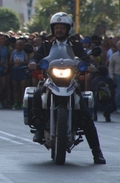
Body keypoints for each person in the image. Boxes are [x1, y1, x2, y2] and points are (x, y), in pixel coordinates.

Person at [28, 12, 106, 164]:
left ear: (68, 29)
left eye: (62, 27)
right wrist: (32, 62)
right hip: (51, 80)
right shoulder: (46, 46)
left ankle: (97, 153)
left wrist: (90, 65)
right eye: (56, 27)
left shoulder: (75, 46)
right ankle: (38, 128)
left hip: (71, 81)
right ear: (53, 29)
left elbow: (85, 58)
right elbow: (36, 57)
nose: (59, 30)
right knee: (37, 93)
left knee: (85, 114)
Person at [108, 41, 120, 113]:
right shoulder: (114, 56)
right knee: (118, 92)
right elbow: (111, 67)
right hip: (117, 75)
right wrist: (111, 75)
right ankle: (118, 106)